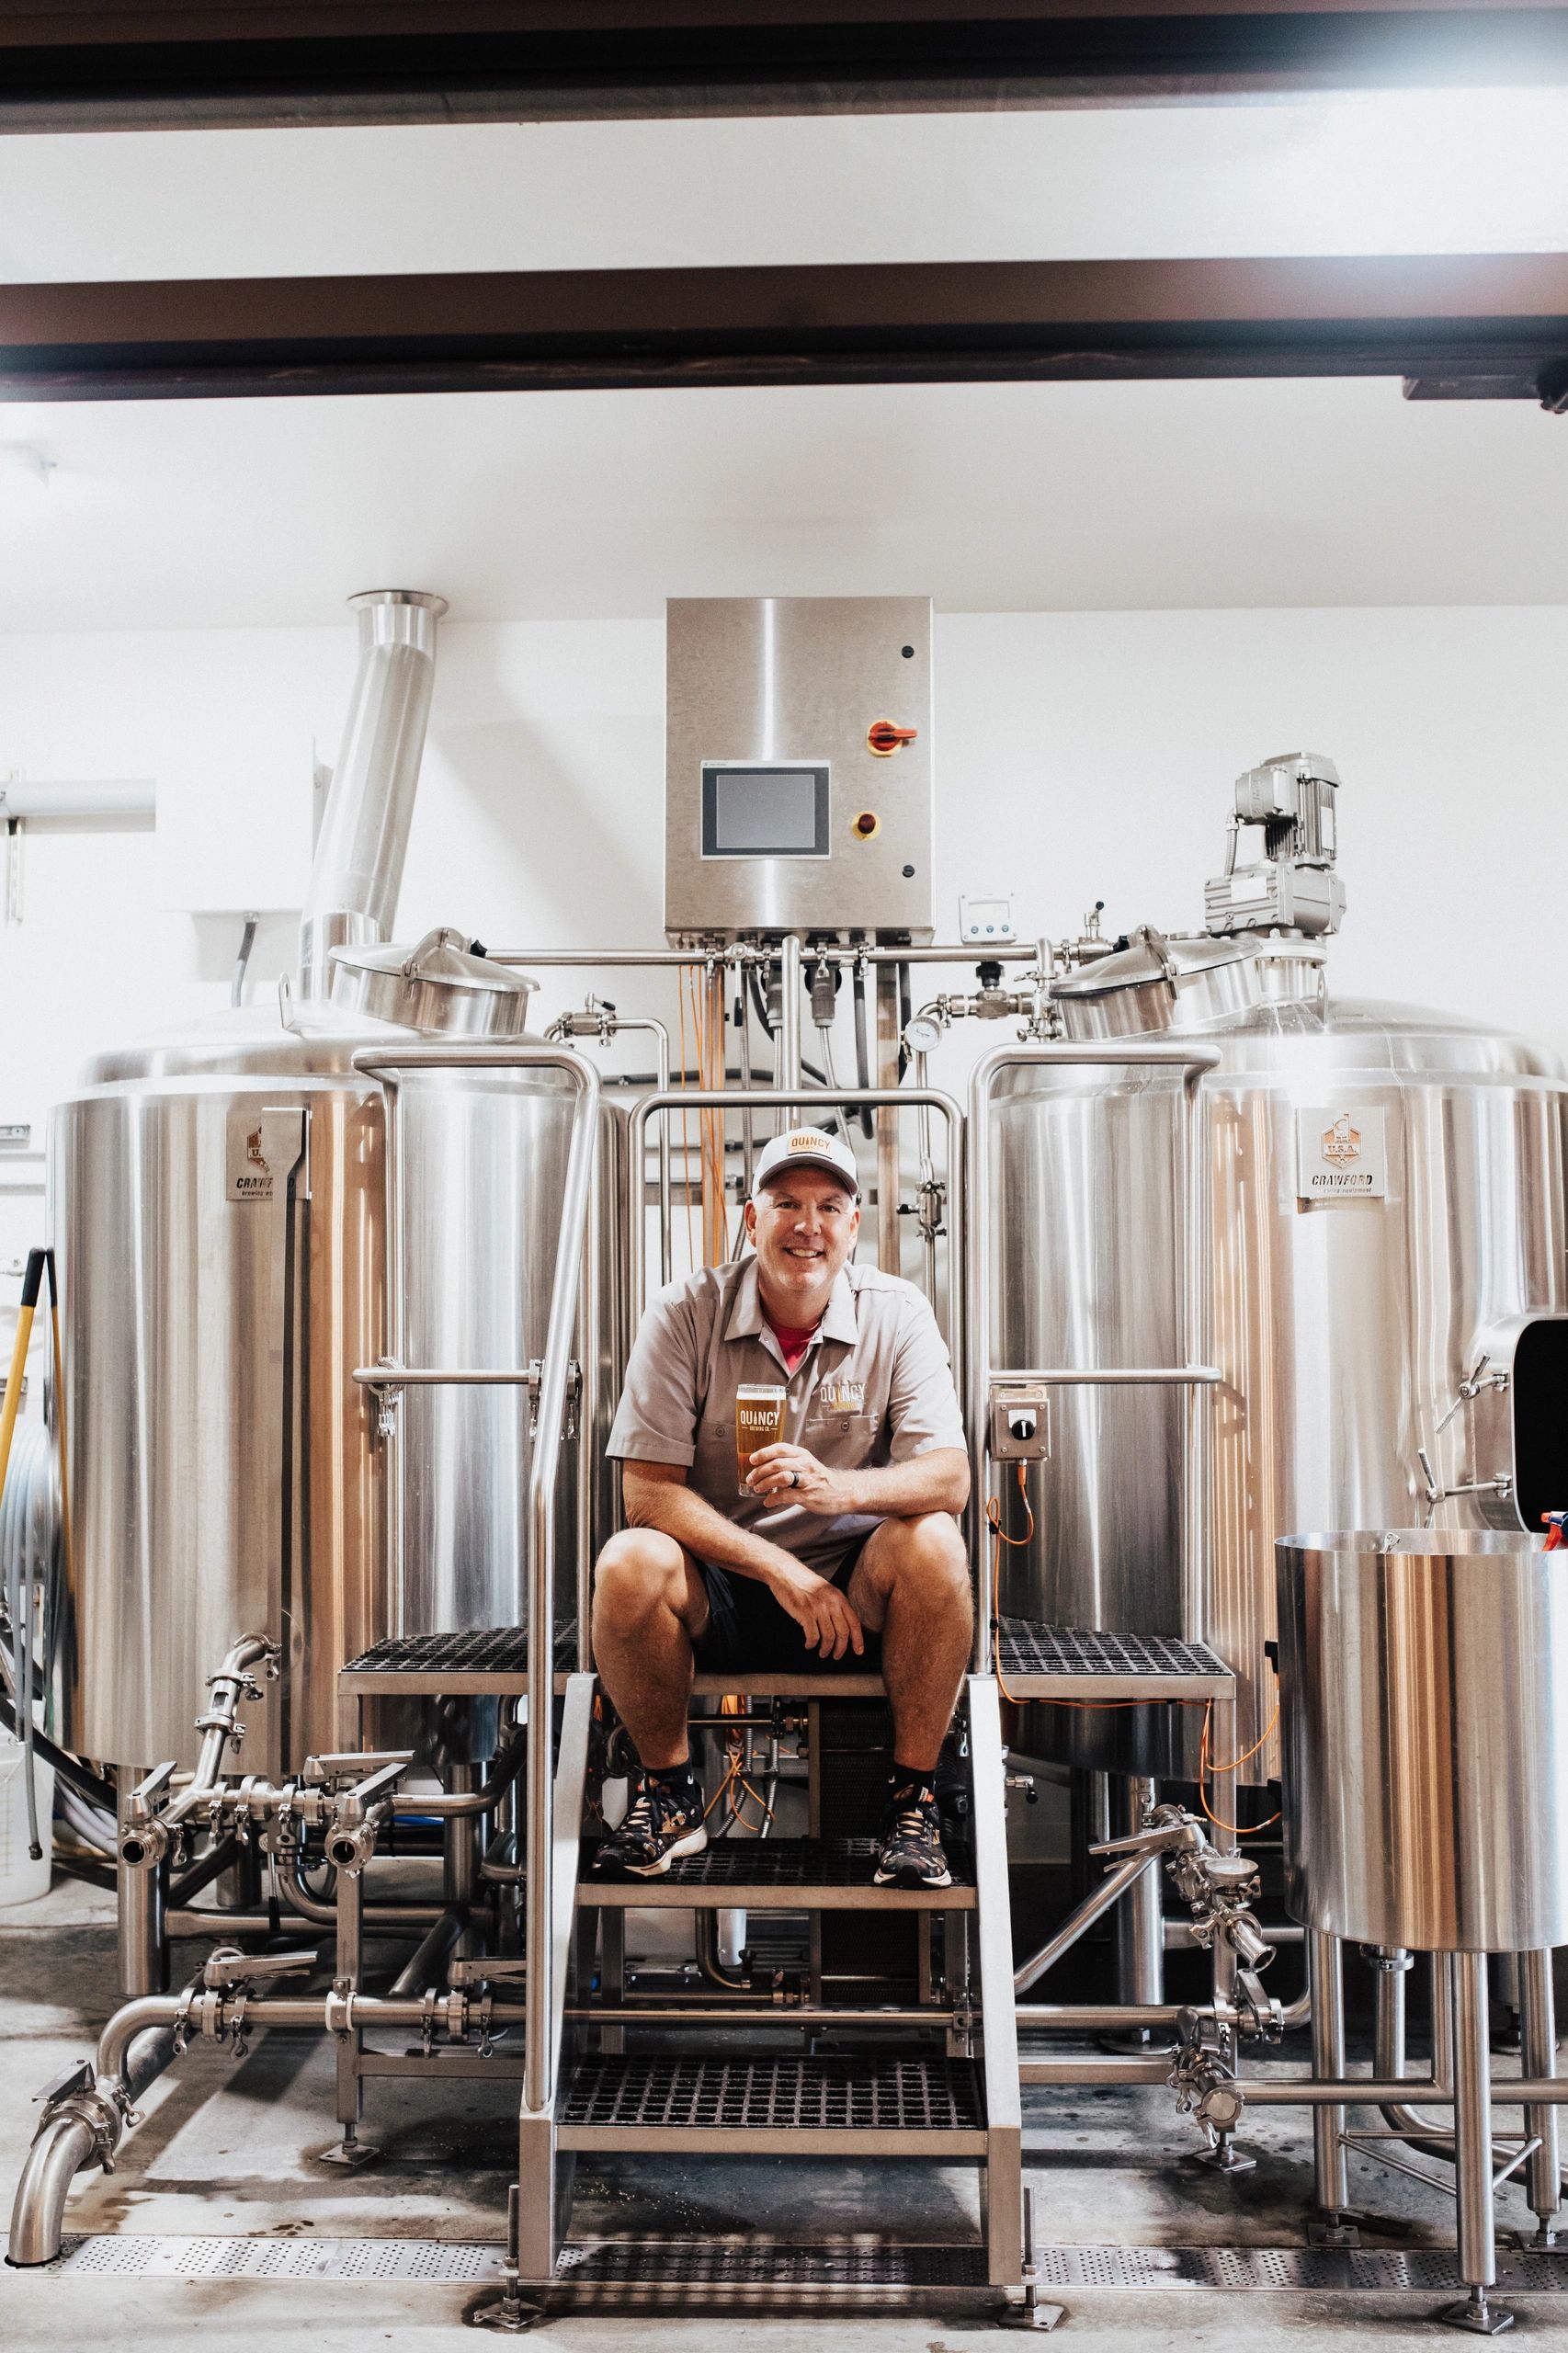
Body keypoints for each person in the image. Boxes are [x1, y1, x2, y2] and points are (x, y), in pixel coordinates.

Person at [592, 1124, 972, 1887]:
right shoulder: (685, 1313)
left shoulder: (897, 1314)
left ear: (854, 1225)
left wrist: (842, 1492)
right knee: (629, 1562)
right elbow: (646, 1493)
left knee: (934, 1542)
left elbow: (949, 1478)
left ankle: (913, 1799)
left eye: (830, 1206)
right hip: (725, 1588)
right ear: (750, 1217)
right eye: (787, 1203)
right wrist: (779, 1571)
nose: (809, 1226)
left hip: (854, 1594)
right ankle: (668, 1792)